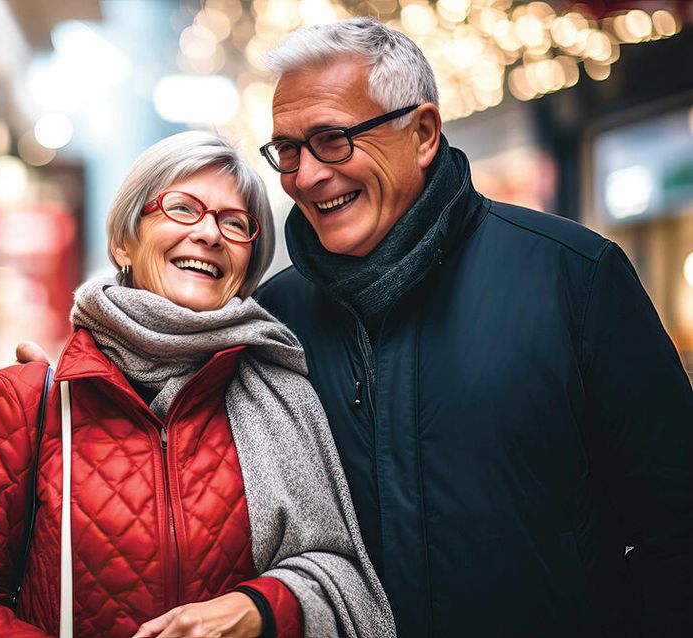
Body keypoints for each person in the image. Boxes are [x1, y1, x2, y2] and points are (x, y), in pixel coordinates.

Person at [248, 16, 693, 638]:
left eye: (332, 139)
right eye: (287, 150)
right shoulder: (273, 322)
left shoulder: (573, 276)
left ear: (423, 133)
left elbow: (675, 526)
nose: (305, 175)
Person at [0, 132, 395, 638]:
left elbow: (341, 573)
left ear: (248, 267)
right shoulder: (26, 402)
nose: (209, 234)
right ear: (124, 241)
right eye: (182, 208)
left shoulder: (285, 395)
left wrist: (259, 609)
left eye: (234, 223)